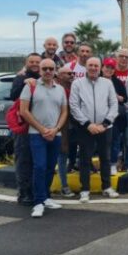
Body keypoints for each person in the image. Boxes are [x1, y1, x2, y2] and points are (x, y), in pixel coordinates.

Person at [19, 59, 68, 218]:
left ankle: (46, 197)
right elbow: (24, 111)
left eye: (51, 68)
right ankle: (38, 202)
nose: (48, 71)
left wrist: (55, 129)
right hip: (36, 134)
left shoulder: (60, 89)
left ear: (55, 70)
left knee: (49, 167)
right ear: (40, 70)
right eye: (44, 68)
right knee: (39, 166)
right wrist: (42, 129)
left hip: (55, 134)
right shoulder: (30, 87)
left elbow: (64, 112)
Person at [70, 57, 120, 202]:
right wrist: (88, 125)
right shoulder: (77, 84)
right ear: (86, 67)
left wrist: (104, 124)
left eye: (96, 66)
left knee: (106, 158)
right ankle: (85, 190)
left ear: (100, 68)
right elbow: (74, 106)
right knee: (85, 159)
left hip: (105, 127)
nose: (93, 68)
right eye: (90, 65)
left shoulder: (107, 83)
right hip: (86, 128)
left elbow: (113, 105)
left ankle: (107, 187)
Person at [9, 53, 42, 206]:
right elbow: (13, 95)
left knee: (38, 161)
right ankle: (24, 193)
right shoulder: (21, 78)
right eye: (32, 62)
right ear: (26, 63)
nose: (35, 64)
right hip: (24, 127)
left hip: (41, 126)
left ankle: (38, 192)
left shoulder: (45, 79)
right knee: (23, 160)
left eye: (37, 62)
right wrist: (24, 83)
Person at [102, 57, 128, 176]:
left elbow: (125, 98)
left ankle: (112, 164)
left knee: (115, 141)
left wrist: (116, 96)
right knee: (101, 143)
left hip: (115, 118)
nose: (109, 70)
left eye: (112, 68)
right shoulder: (96, 80)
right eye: (107, 67)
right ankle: (103, 165)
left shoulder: (118, 82)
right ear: (103, 67)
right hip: (99, 117)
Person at [55, 65, 75, 197]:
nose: (72, 76)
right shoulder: (56, 90)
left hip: (74, 127)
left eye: (73, 74)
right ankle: (64, 185)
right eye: (69, 74)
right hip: (60, 129)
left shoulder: (74, 88)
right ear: (60, 76)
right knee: (61, 156)